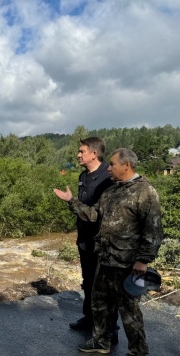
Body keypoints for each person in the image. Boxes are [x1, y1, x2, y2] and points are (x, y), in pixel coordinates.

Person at [53, 148, 163, 356]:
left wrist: (143, 260)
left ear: (127, 166)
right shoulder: (112, 190)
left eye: (112, 164)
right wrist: (71, 201)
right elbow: (94, 215)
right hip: (105, 258)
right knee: (99, 302)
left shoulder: (145, 192)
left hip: (127, 263)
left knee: (129, 312)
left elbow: (153, 230)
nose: (109, 168)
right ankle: (101, 341)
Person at [66, 137, 116, 339]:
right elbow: (83, 207)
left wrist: (71, 202)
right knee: (87, 280)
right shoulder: (83, 176)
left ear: (94, 153)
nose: (78, 155)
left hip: (103, 241)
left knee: (105, 285)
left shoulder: (108, 176)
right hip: (85, 238)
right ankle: (90, 318)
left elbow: (99, 213)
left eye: (81, 151)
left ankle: (110, 329)